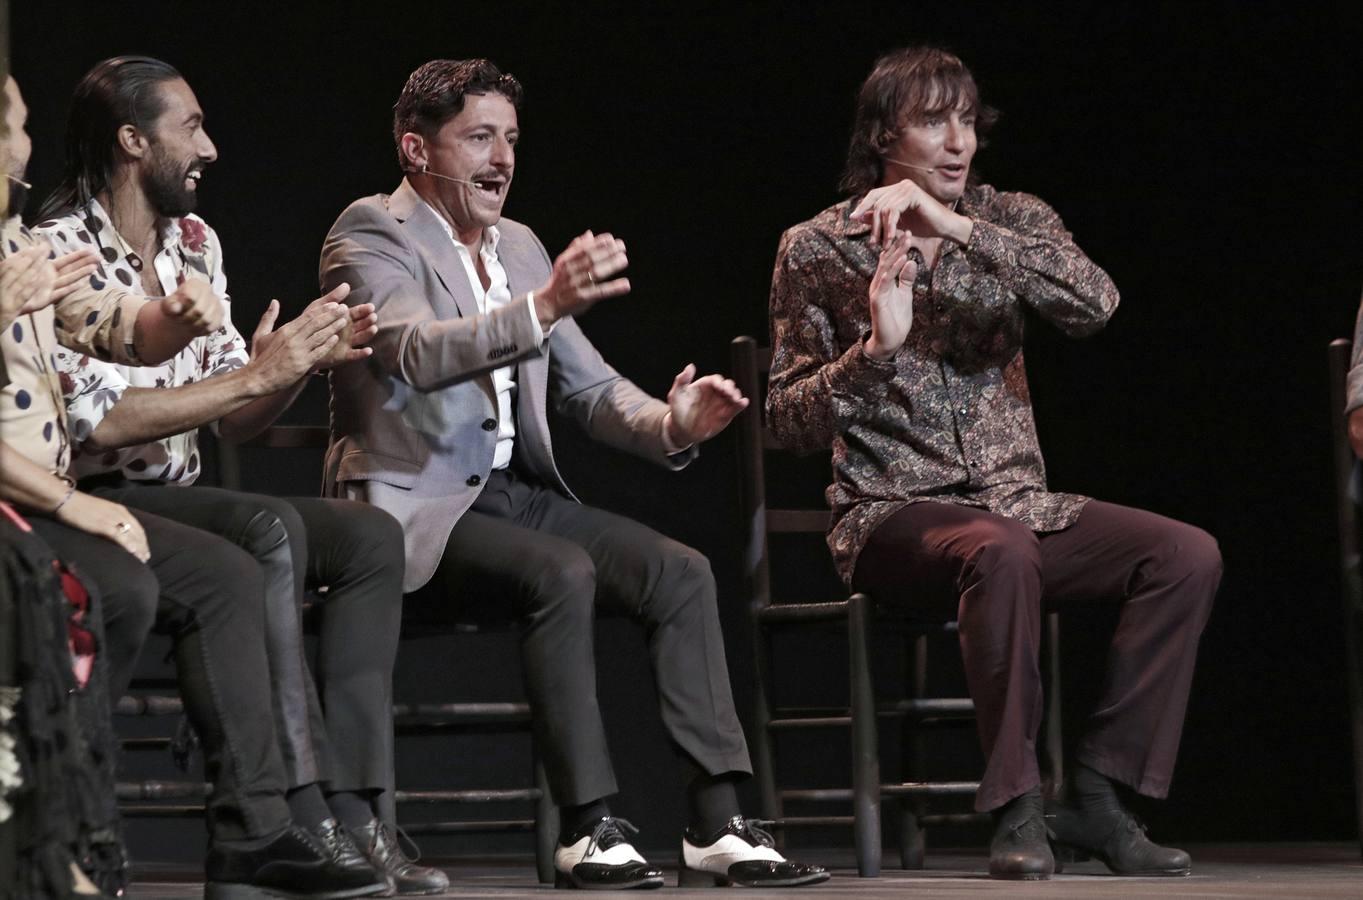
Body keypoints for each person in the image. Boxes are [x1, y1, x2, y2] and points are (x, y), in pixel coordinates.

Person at [319, 58, 828, 890]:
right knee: (562, 570)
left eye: (511, 139)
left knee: (679, 571)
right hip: (414, 514)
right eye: (479, 137)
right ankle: (587, 827)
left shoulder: (519, 246)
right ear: (416, 147)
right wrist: (544, 306)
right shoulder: (369, 232)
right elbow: (412, 351)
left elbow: (588, 390)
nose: (502, 159)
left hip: (513, 498)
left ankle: (717, 822)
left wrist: (671, 422)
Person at [765, 47, 1222, 881]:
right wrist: (872, 351)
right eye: (932, 120)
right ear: (881, 136)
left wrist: (957, 228)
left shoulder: (1010, 218)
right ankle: (1016, 805)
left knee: (1183, 554)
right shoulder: (815, 249)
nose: (956, 141)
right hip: (889, 516)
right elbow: (786, 417)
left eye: (967, 119)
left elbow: (1095, 302)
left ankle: (1097, 791)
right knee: (998, 550)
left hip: (1017, 503)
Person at [32, 56, 446, 895]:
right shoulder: (57, 254)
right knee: (267, 528)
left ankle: (356, 811)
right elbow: (99, 421)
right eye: (190, 126)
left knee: (368, 537)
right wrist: (253, 377)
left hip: (178, 495)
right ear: (131, 140)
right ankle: (294, 811)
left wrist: (292, 362)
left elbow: (233, 414)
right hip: (95, 492)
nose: (210, 148)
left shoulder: (196, 244)